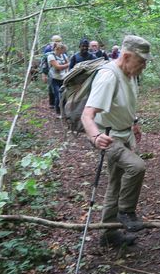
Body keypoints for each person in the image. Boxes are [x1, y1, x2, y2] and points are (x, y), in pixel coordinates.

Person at [81, 35, 152, 247]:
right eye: (141, 61)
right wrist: (95, 137)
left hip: (124, 133)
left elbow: (124, 103)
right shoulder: (108, 76)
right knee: (137, 167)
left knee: (115, 183)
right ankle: (126, 212)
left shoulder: (129, 73)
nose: (144, 66)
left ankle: (108, 233)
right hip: (109, 138)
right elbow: (87, 114)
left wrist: (134, 121)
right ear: (127, 56)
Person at [47, 42, 69, 118]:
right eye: (63, 50)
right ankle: (58, 112)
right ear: (59, 49)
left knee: (64, 94)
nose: (64, 51)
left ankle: (64, 111)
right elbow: (57, 67)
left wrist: (67, 71)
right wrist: (68, 65)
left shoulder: (64, 55)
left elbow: (67, 63)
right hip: (54, 78)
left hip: (63, 78)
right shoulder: (51, 56)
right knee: (58, 95)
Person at [41, 34, 62, 109]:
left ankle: (60, 103)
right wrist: (44, 73)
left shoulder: (62, 48)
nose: (57, 43)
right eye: (56, 41)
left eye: (59, 41)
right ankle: (52, 103)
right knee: (51, 87)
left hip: (60, 70)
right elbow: (44, 61)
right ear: (52, 41)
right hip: (50, 70)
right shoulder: (48, 49)